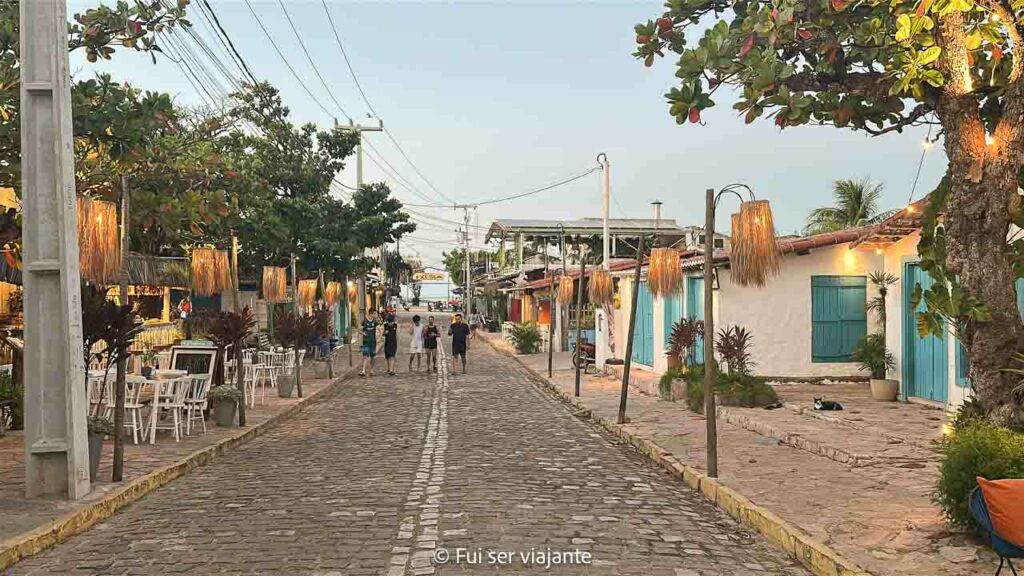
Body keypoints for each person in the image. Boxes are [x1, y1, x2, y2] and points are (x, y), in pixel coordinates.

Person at [359, 310, 380, 377]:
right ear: (371, 314)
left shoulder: (375, 322)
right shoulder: (364, 321)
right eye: (375, 314)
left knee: (372, 357)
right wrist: (363, 333)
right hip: (366, 342)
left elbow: (380, 329)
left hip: (373, 342)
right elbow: (359, 329)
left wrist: (379, 337)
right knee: (365, 356)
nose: (376, 315)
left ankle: (372, 370)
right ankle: (363, 370)